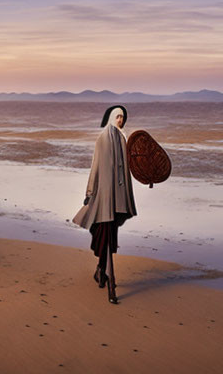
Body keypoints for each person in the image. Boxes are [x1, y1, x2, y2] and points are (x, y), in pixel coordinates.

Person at [72, 105, 138, 304]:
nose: (120, 120)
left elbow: (128, 166)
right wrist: (89, 192)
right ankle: (111, 284)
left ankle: (101, 270)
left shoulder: (123, 138)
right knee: (107, 235)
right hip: (104, 197)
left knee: (109, 235)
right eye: (117, 116)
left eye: (123, 117)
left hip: (118, 198)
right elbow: (96, 166)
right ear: (111, 117)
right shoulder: (102, 139)